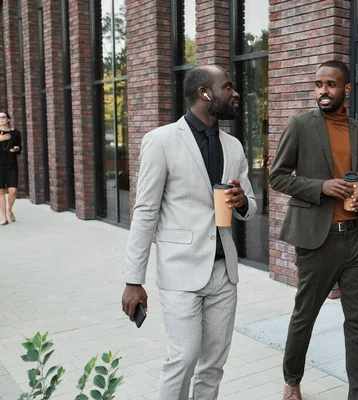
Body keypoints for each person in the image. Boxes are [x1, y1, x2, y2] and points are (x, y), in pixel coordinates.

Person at [121, 65, 256, 400]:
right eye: (228, 87)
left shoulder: (234, 146)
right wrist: (133, 279)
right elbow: (146, 212)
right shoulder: (161, 141)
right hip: (180, 270)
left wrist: (241, 203)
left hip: (224, 274)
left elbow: (250, 204)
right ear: (205, 94)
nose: (235, 93)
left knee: (213, 364)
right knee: (183, 358)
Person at [269, 60, 358, 400]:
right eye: (318, 84)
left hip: (357, 238)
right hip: (317, 240)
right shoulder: (301, 125)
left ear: (346, 89)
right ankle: (292, 379)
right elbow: (277, 176)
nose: (322, 91)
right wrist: (320, 187)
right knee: (305, 315)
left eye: (330, 85)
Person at [0, 111, 22, 226]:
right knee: (1, 191)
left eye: (3, 117)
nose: (1, 119)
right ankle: (4, 217)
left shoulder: (16, 132)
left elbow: (19, 147)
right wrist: (1, 139)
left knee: (13, 191)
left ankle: (10, 210)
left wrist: (16, 149)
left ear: (8, 119)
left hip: (11, 164)